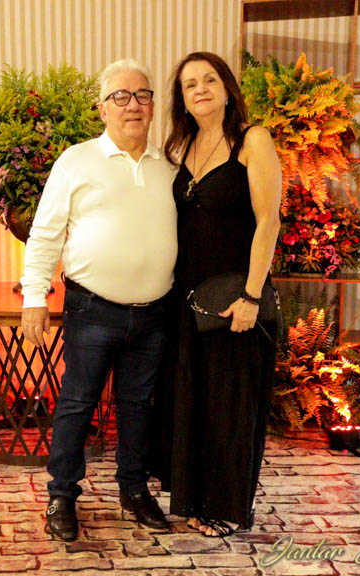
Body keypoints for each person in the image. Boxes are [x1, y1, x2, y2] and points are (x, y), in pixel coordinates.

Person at [20, 58, 177, 542]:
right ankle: (62, 495)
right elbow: (45, 233)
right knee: (76, 404)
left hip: (154, 313)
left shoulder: (170, 166)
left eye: (142, 95)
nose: (133, 105)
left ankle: (134, 490)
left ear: (153, 106)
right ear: (102, 109)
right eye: (120, 96)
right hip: (92, 309)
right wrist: (34, 296)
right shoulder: (77, 160)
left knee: (138, 406)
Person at [148, 52, 282, 537]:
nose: (200, 89)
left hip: (234, 298)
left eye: (209, 80)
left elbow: (269, 221)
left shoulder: (252, 139)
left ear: (226, 89)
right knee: (191, 400)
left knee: (230, 405)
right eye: (189, 84)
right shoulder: (181, 146)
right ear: (181, 99)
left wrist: (251, 296)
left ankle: (223, 507)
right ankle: (191, 500)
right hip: (185, 298)